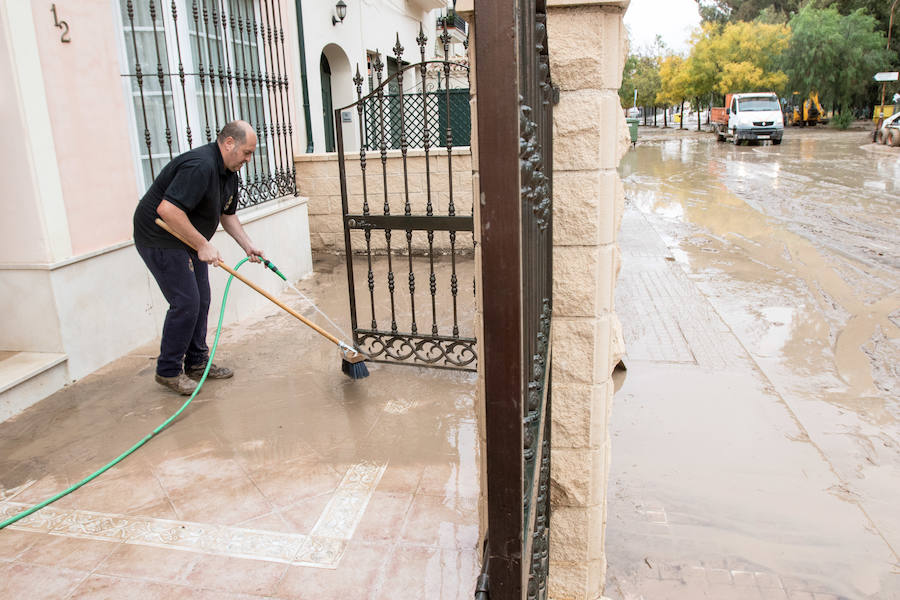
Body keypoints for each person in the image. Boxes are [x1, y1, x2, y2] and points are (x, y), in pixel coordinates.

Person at [133, 120, 265, 395]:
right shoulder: (200, 166)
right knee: (186, 302)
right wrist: (203, 244)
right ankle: (168, 371)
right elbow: (167, 210)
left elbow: (226, 215)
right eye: (247, 152)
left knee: (201, 299)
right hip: (160, 237)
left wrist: (247, 245)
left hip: (188, 238)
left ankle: (196, 362)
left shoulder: (229, 173)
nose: (248, 159)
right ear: (229, 143)